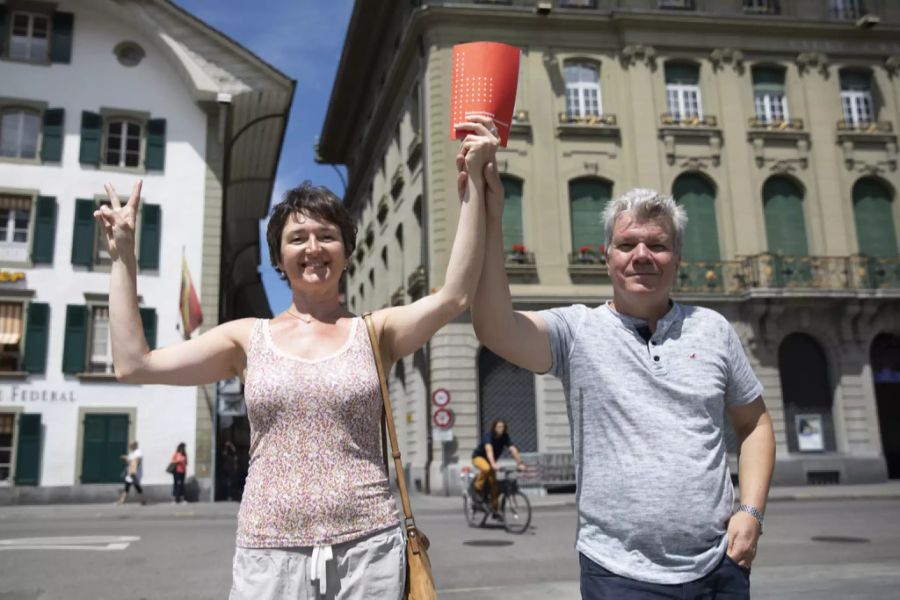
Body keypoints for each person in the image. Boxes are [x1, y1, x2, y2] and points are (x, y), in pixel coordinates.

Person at [95, 116, 498, 599]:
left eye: (327, 235)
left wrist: (474, 181)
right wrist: (123, 258)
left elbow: (454, 296)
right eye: (297, 238)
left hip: (368, 551)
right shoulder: (247, 338)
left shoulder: (375, 331)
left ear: (347, 250)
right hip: (270, 556)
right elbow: (133, 364)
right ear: (278, 257)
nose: (313, 247)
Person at [469, 180, 776, 599]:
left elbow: (754, 422)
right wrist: (491, 215)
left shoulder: (714, 330)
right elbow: (494, 327)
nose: (642, 256)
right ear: (607, 257)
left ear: (678, 258)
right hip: (618, 574)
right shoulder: (576, 331)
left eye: (657, 245)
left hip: (719, 566)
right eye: (627, 243)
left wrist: (751, 510)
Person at [471, 418, 524, 514]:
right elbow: (489, 449)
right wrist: (493, 464)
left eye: (503, 427)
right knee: (486, 468)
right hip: (478, 458)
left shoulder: (504, 437)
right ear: (494, 427)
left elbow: (513, 449)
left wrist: (520, 463)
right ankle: (477, 489)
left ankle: (495, 510)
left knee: (494, 486)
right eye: (499, 427)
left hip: (491, 462)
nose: (501, 429)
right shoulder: (488, 435)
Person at [117, 440, 146, 505]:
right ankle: (122, 500)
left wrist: (127, 459)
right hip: (130, 472)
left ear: (135, 445)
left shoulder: (138, 452)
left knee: (136, 486)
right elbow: (130, 461)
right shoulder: (132, 453)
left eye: (131, 445)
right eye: (130, 445)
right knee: (127, 486)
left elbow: (137, 462)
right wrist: (126, 458)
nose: (129, 446)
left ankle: (143, 500)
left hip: (135, 472)